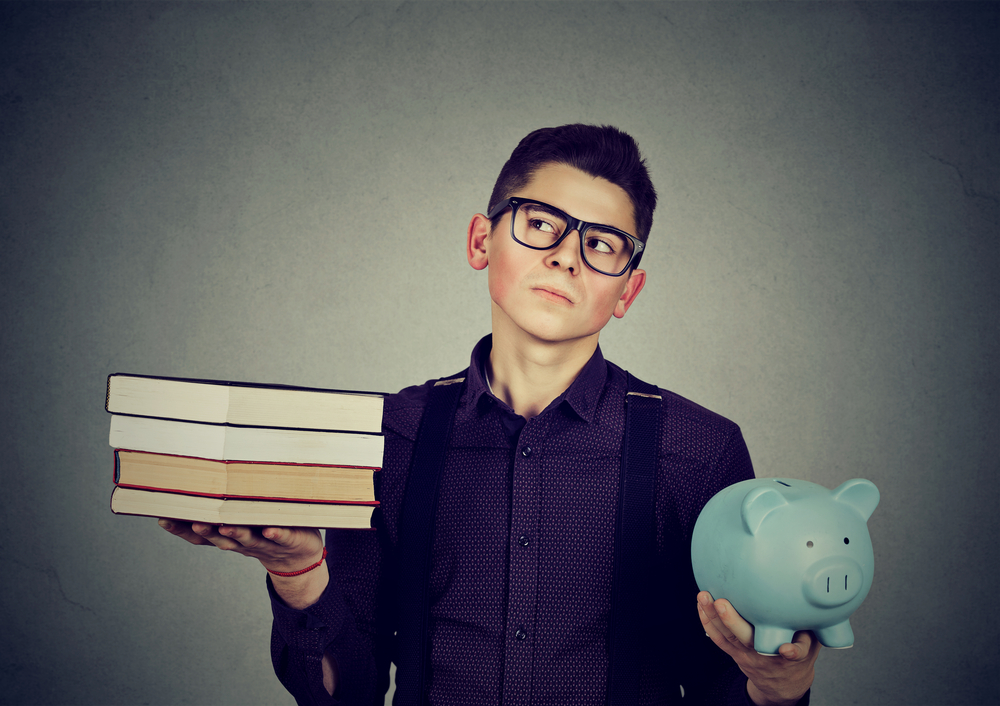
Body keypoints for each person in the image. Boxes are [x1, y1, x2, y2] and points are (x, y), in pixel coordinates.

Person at [159, 124, 820, 705]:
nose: (566, 255)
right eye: (540, 223)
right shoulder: (393, 436)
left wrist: (778, 688)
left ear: (628, 290)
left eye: (604, 244)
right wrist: (297, 569)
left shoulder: (700, 451)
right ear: (482, 239)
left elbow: (726, 685)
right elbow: (345, 692)